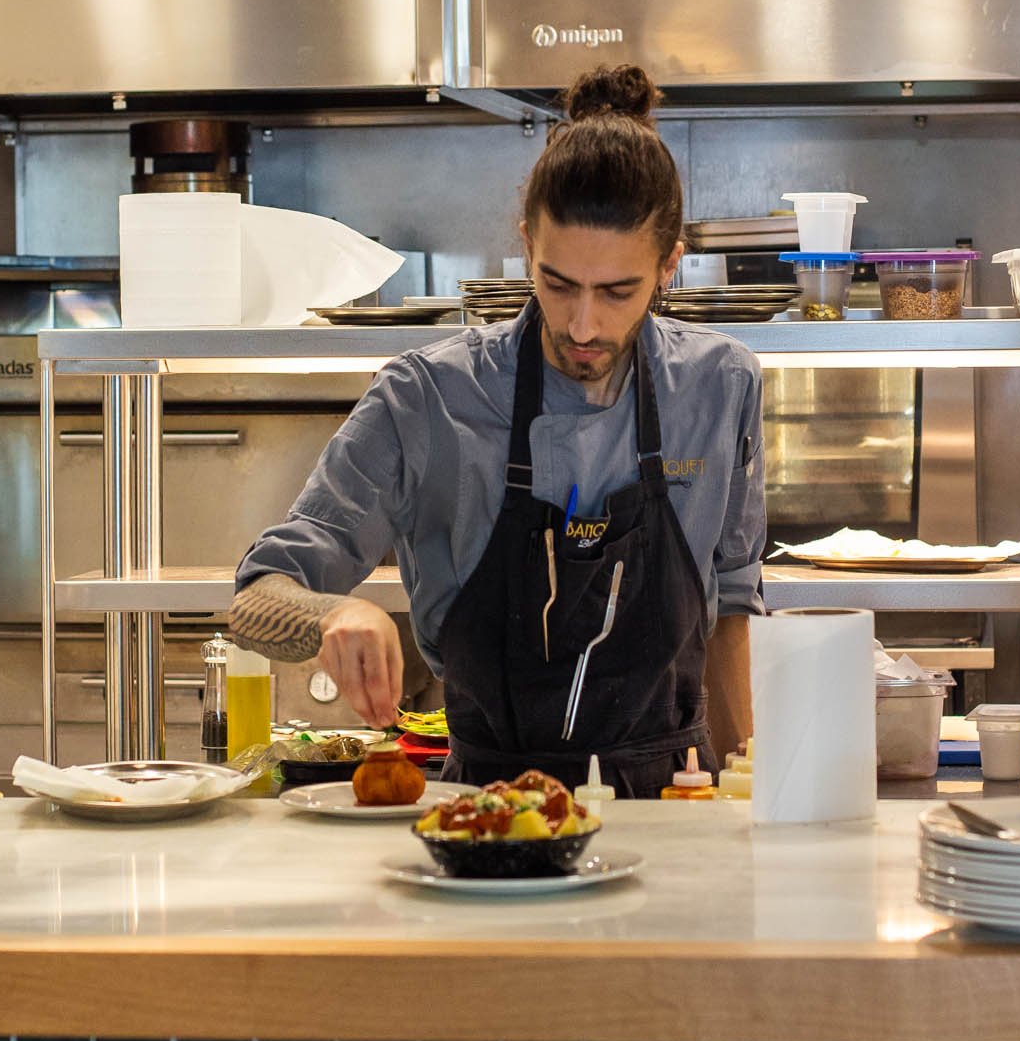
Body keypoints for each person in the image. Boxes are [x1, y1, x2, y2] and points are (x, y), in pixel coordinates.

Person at [229, 64, 766, 796]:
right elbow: (255, 601)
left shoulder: (719, 385)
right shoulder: (428, 396)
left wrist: (757, 795)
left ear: (670, 264)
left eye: (618, 292)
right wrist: (334, 611)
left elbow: (732, 608)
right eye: (556, 283)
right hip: (481, 812)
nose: (583, 325)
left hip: (678, 805)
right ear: (525, 243)